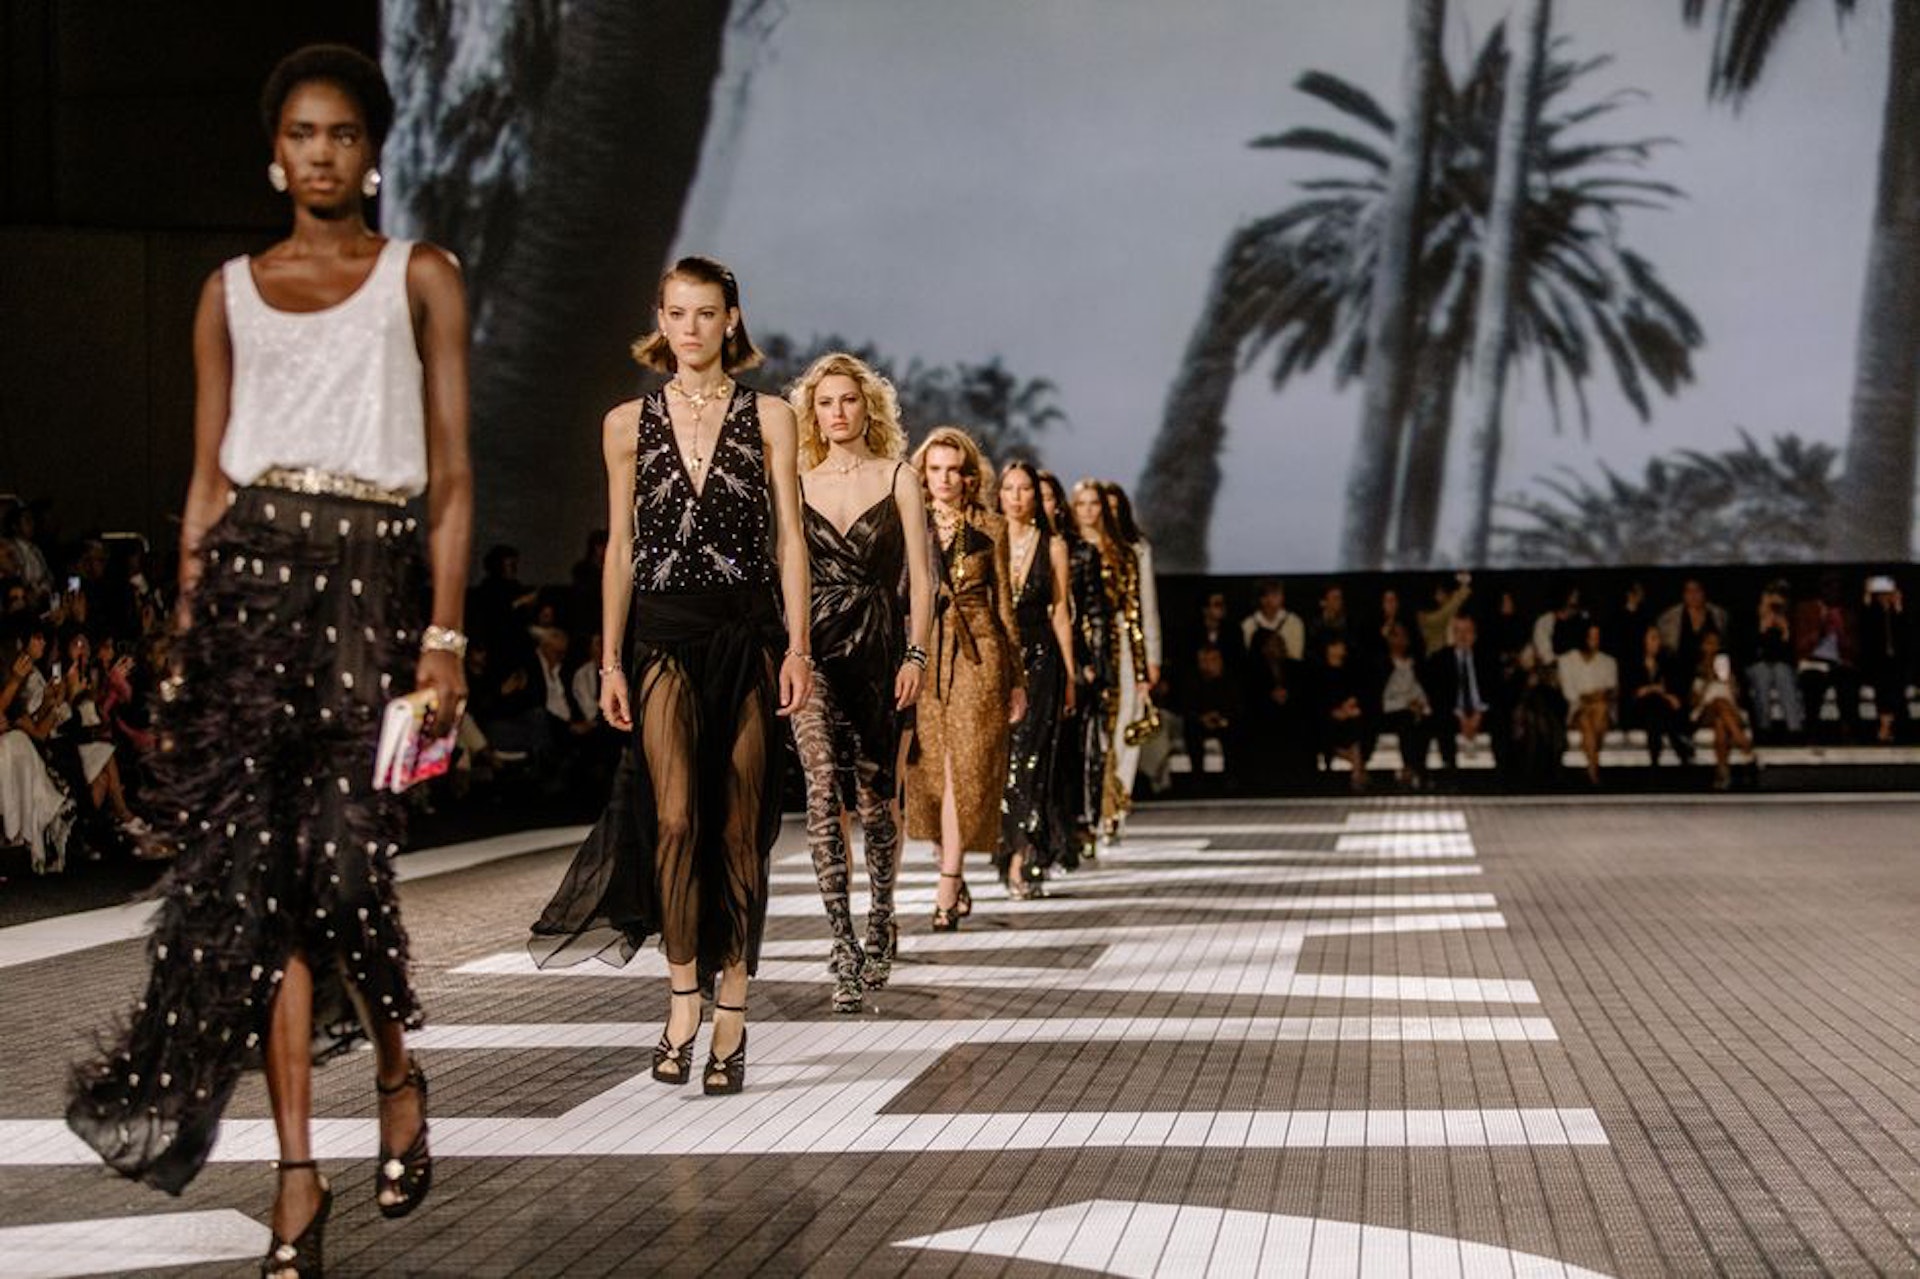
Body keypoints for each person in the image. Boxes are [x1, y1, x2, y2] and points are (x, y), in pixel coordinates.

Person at [66, 45, 472, 1279]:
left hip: (368, 593)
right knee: (262, 897)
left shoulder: (421, 276)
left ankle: (396, 1071)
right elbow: (205, 483)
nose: (322, 152)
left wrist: (444, 636)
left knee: (344, 870)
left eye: (342, 133)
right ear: (275, 154)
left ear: (372, 151)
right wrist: (188, 639)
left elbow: (454, 476)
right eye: (302, 133)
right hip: (249, 597)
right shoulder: (227, 293)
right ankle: (296, 1173)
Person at [530, 256, 812, 1100]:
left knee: (741, 829)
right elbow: (620, 546)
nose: (691, 328)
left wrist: (798, 646)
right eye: (677, 312)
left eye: (706, 312)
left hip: (747, 634)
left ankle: (734, 1011)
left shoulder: (772, 416)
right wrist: (610, 659)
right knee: (678, 819)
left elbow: (790, 539)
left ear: (732, 319)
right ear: (660, 318)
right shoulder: (626, 423)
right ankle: (683, 995)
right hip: (660, 636)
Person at [787, 352, 930, 1012]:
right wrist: (791, 650)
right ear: (812, 413)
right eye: (825, 402)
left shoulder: (898, 476)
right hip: (814, 650)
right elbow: (787, 572)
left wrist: (916, 655)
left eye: (847, 400)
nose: (837, 412)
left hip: (877, 649)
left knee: (875, 802)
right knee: (821, 789)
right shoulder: (796, 481)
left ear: (867, 407)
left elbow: (922, 580)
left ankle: (881, 917)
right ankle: (841, 945)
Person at [908, 427, 1025, 930]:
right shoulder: (908, 522)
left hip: (980, 652)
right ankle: (950, 864)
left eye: (954, 470)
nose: (944, 479)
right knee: (930, 773)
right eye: (935, 469)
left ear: (970, 476)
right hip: (923, 652)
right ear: (922, 473)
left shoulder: (992, 527)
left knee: (967, 768)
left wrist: (1016, 679)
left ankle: (948, 883)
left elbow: (1005, 607)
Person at [997, 460, 1075, 897]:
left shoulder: (1054, 545)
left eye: (1025, 488)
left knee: (1032, 759)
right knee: (1003, 758)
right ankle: (1006, 847)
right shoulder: (989, 538)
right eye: (1009, 488)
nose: (1017, 497)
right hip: (997, 659)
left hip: (1042, 657)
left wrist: (1070, 675)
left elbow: (1060, 612)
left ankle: (1022, 857)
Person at [1069, 479, 1141, 852]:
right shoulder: (1066, 548)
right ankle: (1086, 815)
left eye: (1094, 503)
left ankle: (1111, 810)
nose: (1088, 511)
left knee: (1115, 735)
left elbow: (1135, 613)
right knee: (1086, 737)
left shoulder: (1123, 553)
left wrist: (1142, 669)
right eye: (1081, 503)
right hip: (1076, 652)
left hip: (1117, 651)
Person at [1038, 469, 1100, 868]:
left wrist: (1089, 663)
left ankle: (1068, 832)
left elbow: (1091, 612)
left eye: (1047, 496)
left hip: (1067, 657)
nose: (1039, 503)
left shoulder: (1079, 552)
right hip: (1025, 654)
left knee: (1067, 753)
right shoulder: (1008, 542)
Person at [1101, 481, 1161, 831]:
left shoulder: (1136, 549)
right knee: (1097, 730)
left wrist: (1151, 656)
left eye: (1113, 509)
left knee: (1127, 725)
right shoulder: (1080, 547)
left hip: (1127, 646)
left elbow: (1146, 606)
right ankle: (1096, 805)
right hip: (1093, 646)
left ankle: (1117, 805)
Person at [1170, 589, 1243, 793]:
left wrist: (1222, 717)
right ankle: (1197, 780)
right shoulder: (1191, 636)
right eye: (1216, 604)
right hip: (1199, 713)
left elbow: (1235, 700)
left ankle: (1233, 778)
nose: (1221, 609)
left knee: (1235, 727)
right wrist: (1201, 717)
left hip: (1224, 711)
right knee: (1192, 729)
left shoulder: (1231, 633)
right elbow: (1186, 703)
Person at [1425, 613, 1501, 775]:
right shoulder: (1440, 659)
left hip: (1482, 711)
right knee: (1441, 719)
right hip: (1453, 712)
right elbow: (1439, 696)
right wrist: (1461, 717)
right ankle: (1450, 772)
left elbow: (1495, 691)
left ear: (1475, 634)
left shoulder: (1488, 658)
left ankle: (1501, 776)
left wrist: (1478, 714)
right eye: (1457, 631)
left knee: (1502, 720)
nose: (1462, 636)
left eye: (1467, 631)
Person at [1624, 623, 1694, 766]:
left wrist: (1660, 693)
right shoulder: (1632, 664)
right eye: (1653, 638)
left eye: (1658, 638)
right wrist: (1654, 690)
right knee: (1653, 701)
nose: (1658, 642)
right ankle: (1678, 742)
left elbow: (1673, 690)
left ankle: (1655, 760)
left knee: (1655, 708)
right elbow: (1631, 694)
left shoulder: (1667, 662)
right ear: (1643, 641)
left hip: (1659, 712)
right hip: (1638, 711)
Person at [1692, 630, 1754, 789]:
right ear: (1702, 646)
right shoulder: (1697, 669)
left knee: (1720, 721)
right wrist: (1707, 681)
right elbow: (1694, 702)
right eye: (1709, 643)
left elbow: (1738, 698)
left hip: (1730, 711)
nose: (1713, 647)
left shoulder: (1727, 667)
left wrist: (1730, 682)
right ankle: (1745, 746)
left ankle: (1723, 772)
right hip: (1706, 710)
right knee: (1718, 703)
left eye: (1716, 643)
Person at [1559, 621, 1618, 785]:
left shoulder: (1608, 661)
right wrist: (1593, 696)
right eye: (1591, 637)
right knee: (1586, 718)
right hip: (1577, 711)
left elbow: (1610, 690)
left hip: (1602, 712)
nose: (1595, 641)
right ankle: (1594, 768)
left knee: (1599, 709)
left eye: (1597, 637)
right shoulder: (1567, 660)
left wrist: (1590, 696)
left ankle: (1592, 769)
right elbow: (1570, 694)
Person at [1377, 622, 1433, 788]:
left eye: (1403, 636)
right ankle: (1410, 768)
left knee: (1424, 721)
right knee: (1406, 720)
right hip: (1391, 711)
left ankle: (1419, 769)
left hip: (1416, 710)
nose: (1400, 641)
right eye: (1395, 636)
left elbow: (1421, 691)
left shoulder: (1415, 664)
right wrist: (1406, 705)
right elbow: (1383, 698)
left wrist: (1421, 705)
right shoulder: (1382, 665)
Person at [1747, 580, 1804, 741]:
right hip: (1756, 667)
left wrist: (1786, 634)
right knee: (1762, 672)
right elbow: (1747, 653)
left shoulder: (1791, 620)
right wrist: (1761, 630)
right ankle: (1763, 728)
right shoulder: (1749, 619)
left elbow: (1793, 656)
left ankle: (1794, 729)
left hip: (1783, 667)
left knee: (1781, 670)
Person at [1858, 575, 1909, 743]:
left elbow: (1906, 637)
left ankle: (1889, 727)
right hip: (1877, 662)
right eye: (1881, 594)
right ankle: (1885, 726)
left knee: (1896, 691)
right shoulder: (1872, 612)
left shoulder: (1899, 613)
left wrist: (1898, 607)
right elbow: (1865, 631)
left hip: (1898, 662)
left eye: (1887, 594)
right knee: (1884, 690)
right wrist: (1867, 598)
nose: (1884, 597)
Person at [1316, 635, 1370, 791]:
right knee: (1328, 726)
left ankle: (1356, 771)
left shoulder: (1350, 670)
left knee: (1357, 724)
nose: (1342, 649)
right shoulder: (1318, 671)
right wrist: (1334, 712)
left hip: (1349, 714)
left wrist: (1349, 707)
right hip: (1325, 716)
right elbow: (1316, 699)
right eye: (1337, 645)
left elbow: (1357, 692)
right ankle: (1358, 769)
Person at [1241, 579, 1304, 662]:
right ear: (1259, 598)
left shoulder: (1294, 622)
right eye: (1265, 596)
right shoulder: (1248, 624)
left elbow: (1296, 656)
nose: (1269, 600)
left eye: (1274, 595)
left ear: (1282, 597)